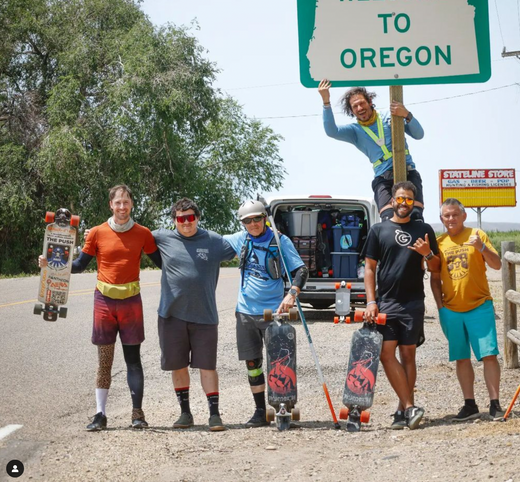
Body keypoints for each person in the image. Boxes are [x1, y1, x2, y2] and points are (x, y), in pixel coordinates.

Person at [39, 184, 161, 431]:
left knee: (133, 361)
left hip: (131, 304)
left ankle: (137, 414)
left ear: (132, 204)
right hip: (104, 303)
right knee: (104, 361)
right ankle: (100, 415)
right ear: (110, 205)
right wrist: (51, 263)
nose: (122, 207)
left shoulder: (143, 233)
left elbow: (163, 262)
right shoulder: (96, 232)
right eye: (118, 202)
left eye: (126, 202)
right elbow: (79, 265)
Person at [153, 198, 237, 432]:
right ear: (174, 220)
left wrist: (272, 233)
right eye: (181, 218)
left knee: (207, 366)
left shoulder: (214, 241)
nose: (186, 222)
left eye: (190, 217)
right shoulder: (162, 237)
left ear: (197, 217)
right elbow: (131, 235)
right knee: (177, 365)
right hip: (171, 315)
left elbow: (245, 243)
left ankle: (214, 415)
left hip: (205, 316)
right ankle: (185, 413)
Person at [224, 199, 308, 428]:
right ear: (243, 223)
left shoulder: (280, 240)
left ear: (264, 218)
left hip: (274, 313)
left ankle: (283, 407)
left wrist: (292, 294)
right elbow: (209, 242)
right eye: (247, 221)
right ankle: (260, 411)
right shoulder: (241, 239)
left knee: (280, 363)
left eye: (257, 219)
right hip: (245, 312)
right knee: (253, 364)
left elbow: (301, 270)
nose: (253, 224)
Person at [363, 181, 440, 430]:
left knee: (408, 355)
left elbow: (436, 267)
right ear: (392, 201)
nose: (404, 203)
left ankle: (402, 410)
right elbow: (369, 268)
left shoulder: (424, 229)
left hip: (413, 303)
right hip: (386, 303)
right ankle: (410, 407)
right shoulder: (378, 230)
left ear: (414, 203)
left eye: (408, 199)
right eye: (400, 198)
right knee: (386, 354)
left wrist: (428, 253)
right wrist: (371, 301)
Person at [431, 198, 504, 422]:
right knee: (461, 358)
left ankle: (495, 404)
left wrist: (481, 248)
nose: (451, 219)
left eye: (455, 214)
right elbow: (434, 277)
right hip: (451, 310)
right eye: (447, 215)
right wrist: (441, 307)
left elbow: (497, 264)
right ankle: (469, 404)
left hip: (479, 306)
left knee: (489, 355)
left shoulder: (477, 235)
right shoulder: (439, 242)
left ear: (464, 215)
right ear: (441, 219)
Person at [318, 79, 425, 221]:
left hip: (408, 171)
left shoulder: (390, 115)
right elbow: (332, 131)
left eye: (362, 103)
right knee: (388, 219)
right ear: (352, 111)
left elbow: (419, 134)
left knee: (416, 216)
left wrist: (407, 114)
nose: (359, 108)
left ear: (369, 101)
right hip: (383, 178)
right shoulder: (354, 131)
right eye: (355, 106)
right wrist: (326, 102)